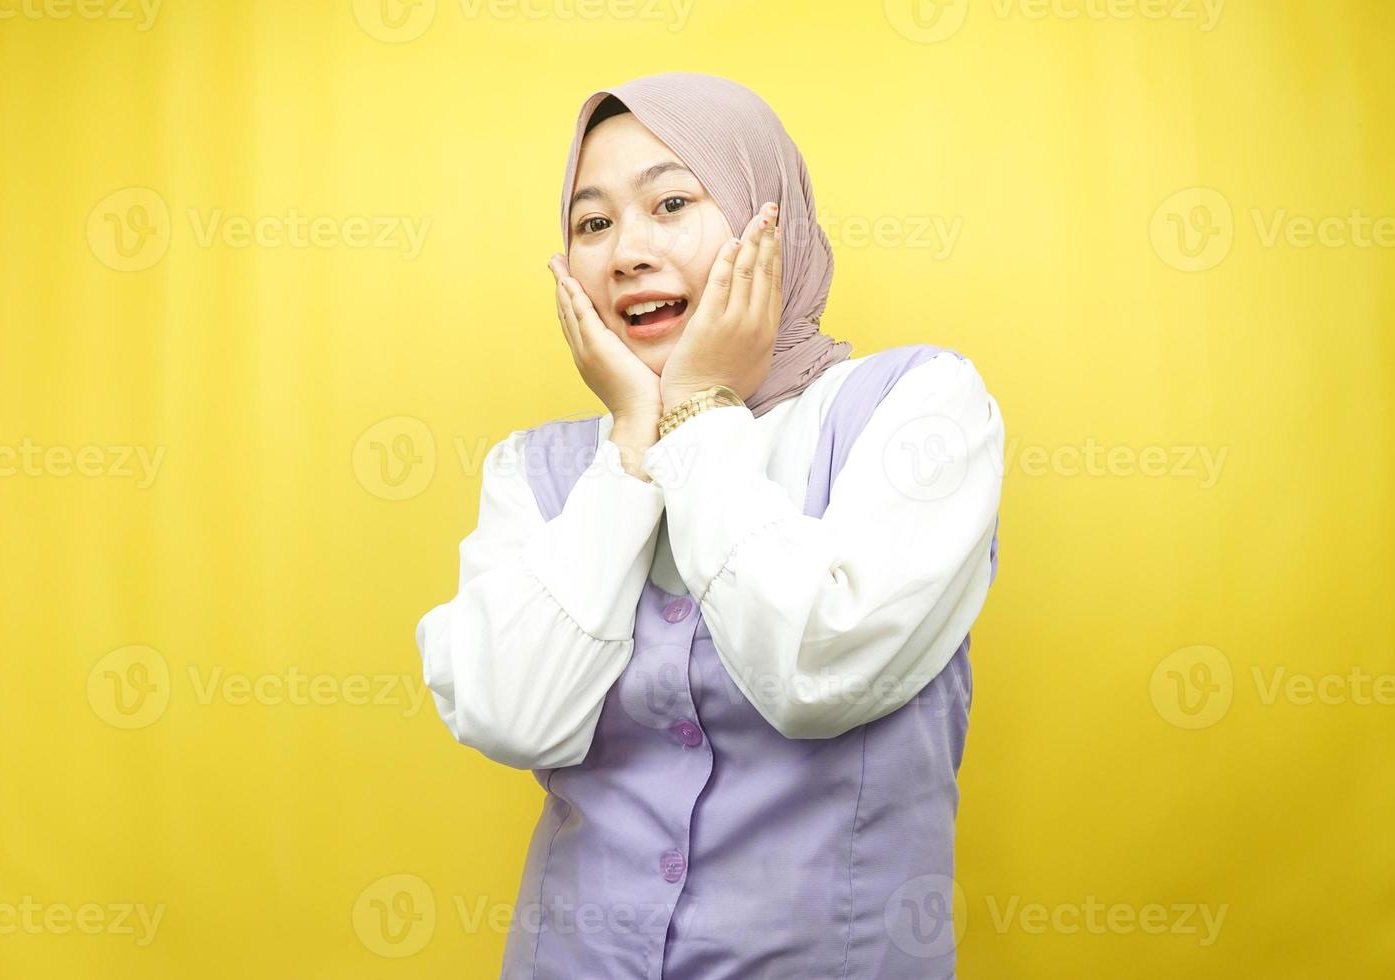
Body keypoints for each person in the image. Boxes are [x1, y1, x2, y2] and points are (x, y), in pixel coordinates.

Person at [416, 71, 1005, 979]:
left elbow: (816, 669)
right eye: (592, 222)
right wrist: (629, 449)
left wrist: (697, 409)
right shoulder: (536, 472)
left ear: (770, 220)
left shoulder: (917, 410)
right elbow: (510, 717)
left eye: (672, 203)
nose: (626, 254)